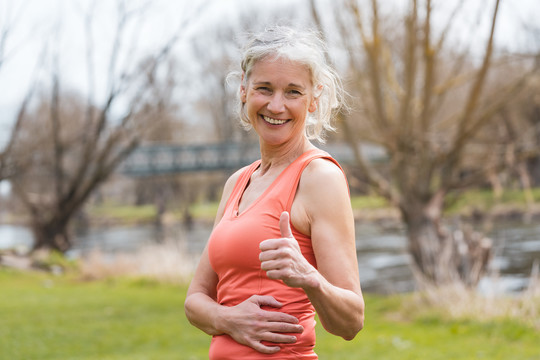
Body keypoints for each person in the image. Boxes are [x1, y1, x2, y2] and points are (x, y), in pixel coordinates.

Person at [184, 25, 364, 359]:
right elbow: (195, 300)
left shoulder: (319, 177)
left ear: (313, 99)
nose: (276, 105)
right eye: (264, 88)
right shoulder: (238, 181)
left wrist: (309, 278)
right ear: (244, 90)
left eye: (293, 92)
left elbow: (351, 321)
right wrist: (229, 318)